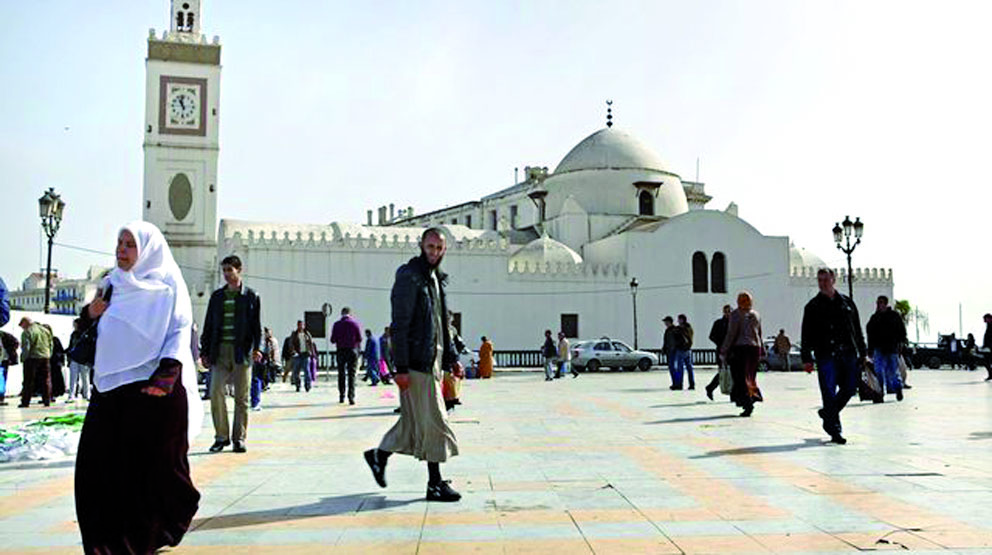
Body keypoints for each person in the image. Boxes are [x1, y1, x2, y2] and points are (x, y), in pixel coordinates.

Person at [74, 221, 201, 553]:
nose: (122, 250)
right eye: (119, 242)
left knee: (148, 471)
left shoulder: (168, 283)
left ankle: (149, 534)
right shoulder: (110, 283)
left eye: (130, 244)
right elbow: (86, 325)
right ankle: (104, 542)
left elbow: (179, 329)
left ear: (147, 249)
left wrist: (167, 374)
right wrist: (91, 312)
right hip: (108, 388)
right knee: (97, 469)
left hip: (149, 390)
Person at [364, 227, 464, 502]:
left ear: (444, 250)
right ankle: (434, 483)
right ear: (421, 245)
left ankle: (378, 455)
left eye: (439, 248)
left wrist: (452, 359)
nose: (434, 252)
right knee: (435, 422)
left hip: (432, 361)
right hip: (417, 364)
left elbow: (444, 324)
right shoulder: (410, 277)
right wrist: (402, 368)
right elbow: (400, 325)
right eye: (430, 246)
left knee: (412, 424)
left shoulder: (436, 279)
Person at [200, 254, 262, 454]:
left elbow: (256, 327)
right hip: (219, 352)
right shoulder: (217, 297)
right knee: (216, 392)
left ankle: (239, 439)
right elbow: (208, 325)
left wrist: (257, 349)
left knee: (242, 398)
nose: (226, 274)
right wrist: (205, 351)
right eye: (224, 270)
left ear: (239, 270)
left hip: (241, 352)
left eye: (230, 270)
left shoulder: (251, 296)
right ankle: (221, 437)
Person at [801, 268, 868, 445]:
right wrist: (806, 358)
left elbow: (857, 329)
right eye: (819, 280)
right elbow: (806, 334)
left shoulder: (847, 303)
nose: (822, 283)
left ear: (833, 280)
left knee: (850, 388)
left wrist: (863, 352)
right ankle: (835, 430)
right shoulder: (813, 306)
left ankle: (828, 414)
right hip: (826, 355)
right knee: (829, 392)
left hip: (848, 353)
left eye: (825, 279)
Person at [720, 293, 764, 417]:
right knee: (750, 376)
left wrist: (724, 350)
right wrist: (762, 350)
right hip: (754, 349)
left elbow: (731, 334)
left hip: (741, 349)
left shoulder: (736, 314)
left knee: (740, 378)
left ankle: (747, 402)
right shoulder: (756, 315)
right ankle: (752, 396)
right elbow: (759, 333)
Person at [866, 295, 906, 401]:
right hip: (878, 349)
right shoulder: (874, 318)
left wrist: (901, 344)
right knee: (878, 371)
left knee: (893, 372)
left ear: (886, 303)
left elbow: (901, 331)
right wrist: (870, 350)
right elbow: (870, 333)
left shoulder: (894, 316)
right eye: (878, 303)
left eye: (881, 302)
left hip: (892, 348)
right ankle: (879, 392)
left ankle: (898, 388)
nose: (879, 305)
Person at [18, 317, 53, 407]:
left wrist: (23, 358)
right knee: (46, 380)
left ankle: (25, 402)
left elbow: (26, 347)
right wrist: (49, 354)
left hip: (32, 358)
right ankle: (47, 400)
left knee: (29, 381)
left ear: (25, 323)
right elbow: (50, 344)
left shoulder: (27, 332)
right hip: (45, 357)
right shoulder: (45, 330)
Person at [331, 307, 362, 404]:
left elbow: (333, 340)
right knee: (351, 374)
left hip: (340, 351)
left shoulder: (336, 324)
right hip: (352, 350)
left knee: (341, 373)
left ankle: (341, 396)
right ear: (350, 313)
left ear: (341, 313)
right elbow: (359, 338)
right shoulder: (354, 324)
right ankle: (351, 397)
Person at [705, 305, 732, 400]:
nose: (728, 313)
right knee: (723, 372)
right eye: (726, 311)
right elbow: (712, 336)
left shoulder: (734, 323)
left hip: (732, 351)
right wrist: (721, 344)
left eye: (729, 311)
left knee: (733, 372)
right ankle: (710, 388)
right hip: (721, 351)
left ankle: (732, 394)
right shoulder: (718, 323)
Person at [66, 318, 92, 402]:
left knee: (85, 377)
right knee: (73, 377)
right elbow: (71, 345)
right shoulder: (74, 334)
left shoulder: (85, 333)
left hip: (83, 359)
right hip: (74, 358)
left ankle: (87, 394)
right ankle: (72, 395)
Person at [289, 320, 316, 393]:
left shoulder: (307, 334)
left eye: (302, 325)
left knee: (307, 370)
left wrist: (312, 353)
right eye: (299, 325)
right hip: (297, 354)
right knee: (296, 371)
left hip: (306, 354)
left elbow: (311, 344)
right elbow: (291, 344)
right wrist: (293, 351)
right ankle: (298, 385)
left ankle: (307, 385)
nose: (301, 326)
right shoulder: (294, 334)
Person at [674, 314, 695, 390]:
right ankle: (692, 384)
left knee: (680, 368)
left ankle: (679, 384)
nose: (678, 321)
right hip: (688, 349)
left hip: (681, 349)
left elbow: (677, 338)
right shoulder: (689, 328)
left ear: (682, 320)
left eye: (679, 319)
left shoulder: (680, 329)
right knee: (689, 368)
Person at [0, 330, 18, 406]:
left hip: (3, 360)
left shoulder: (5, 335)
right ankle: (1, 397)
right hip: (4, 360)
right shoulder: (5, 335)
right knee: (2, 379)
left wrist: (11, 351)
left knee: (2, 380)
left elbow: (15, 342)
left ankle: (1, 397)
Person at [662, 316, 680, 390]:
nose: (665, 323)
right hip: (669, 351)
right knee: (672, 368)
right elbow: (666, 341)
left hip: (673, 352)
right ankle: (675, 383)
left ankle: (677, 383)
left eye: (666, 321)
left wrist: (674, 349)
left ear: (669, 322)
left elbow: (675, 341)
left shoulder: (674, 330)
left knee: (673, 368)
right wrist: (664, 349)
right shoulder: (668, 330)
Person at [983, 314, 992, 381]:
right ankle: (990, 374)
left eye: (985, 319)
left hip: (990, 347)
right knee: (986, 361)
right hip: (987, 347)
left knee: (987, 361)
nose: (984, 321)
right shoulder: (988, 325)